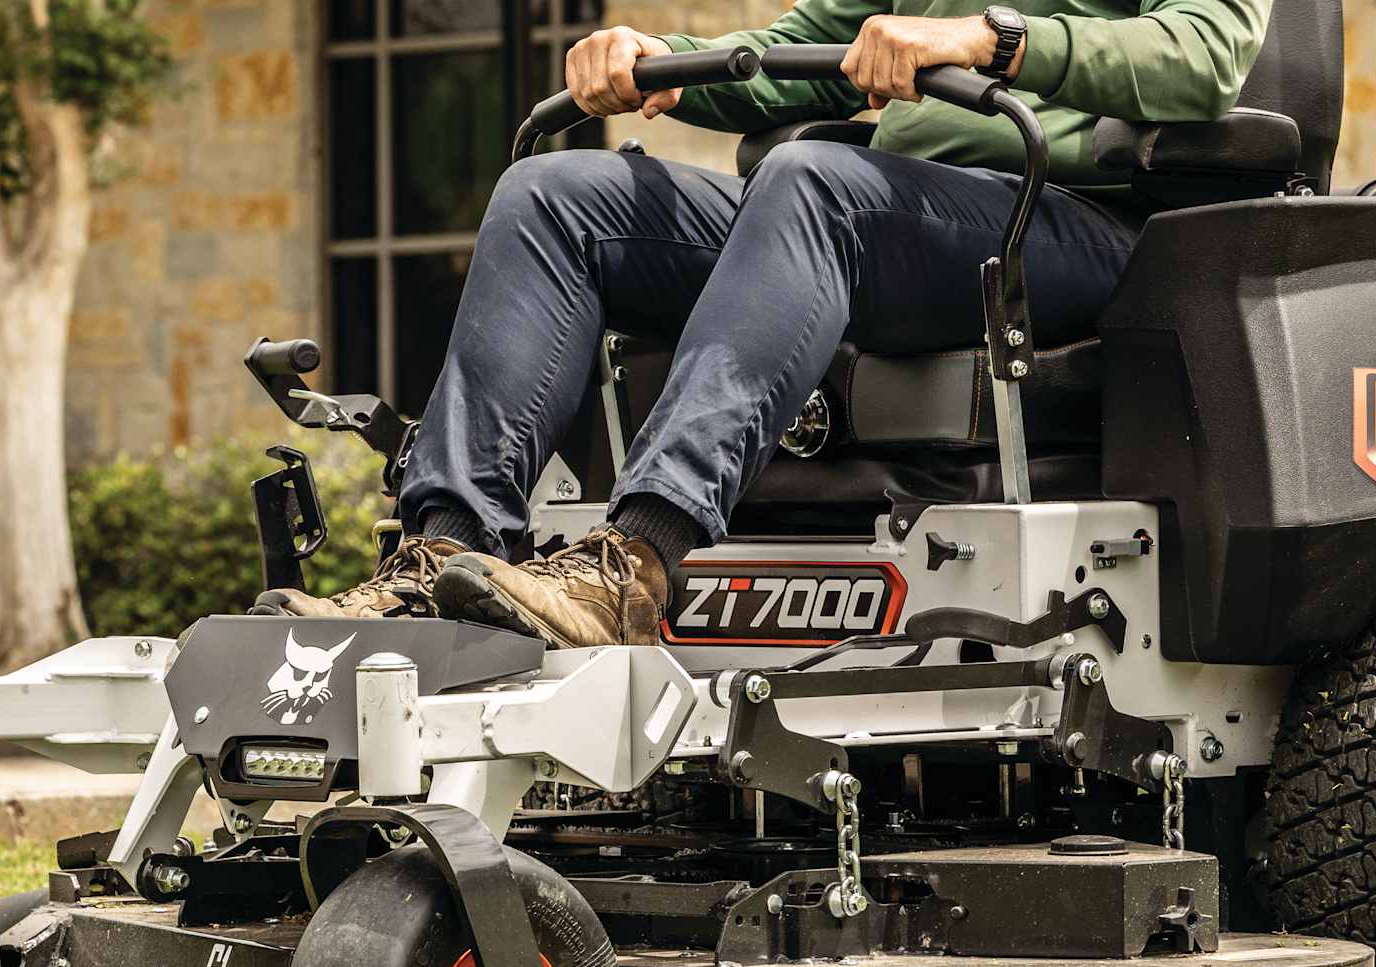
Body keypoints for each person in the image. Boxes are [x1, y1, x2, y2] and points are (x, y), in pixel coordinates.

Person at [254, 0, 1272, 647]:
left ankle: (633, 564)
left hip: (1071, 219)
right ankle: (440, 563)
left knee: (809, 178)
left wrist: (991, 38)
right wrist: (659, 57)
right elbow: (799, 56)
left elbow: (1203, 54)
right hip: (892, 209)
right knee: (552, 191)